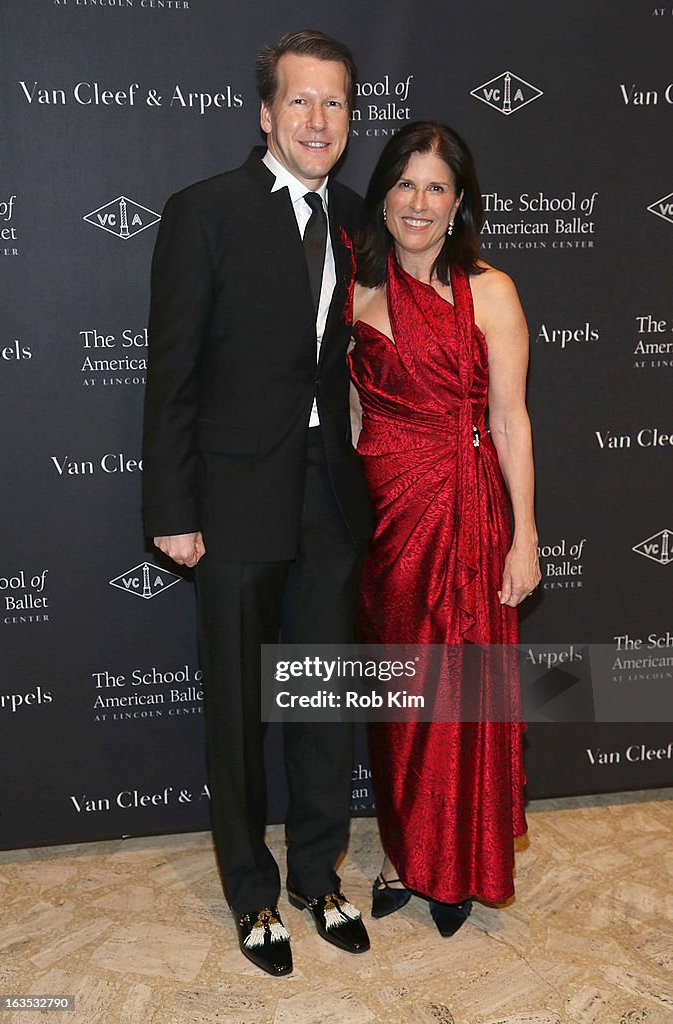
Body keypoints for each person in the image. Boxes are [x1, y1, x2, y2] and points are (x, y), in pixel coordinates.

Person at [142, 30, 373, 976]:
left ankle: (318, 874)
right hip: (230, 501)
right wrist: (171, 505)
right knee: (238, 710)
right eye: (301, 102)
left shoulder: (360, 218)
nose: (319, 121)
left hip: (329, 500)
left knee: (319, 704)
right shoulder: (204, 211)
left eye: (335, 104)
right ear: (266, 112)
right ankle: (251, 892)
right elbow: (173, 375)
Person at [348, 121, 541, 936]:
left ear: (458, 202)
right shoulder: (350, 290)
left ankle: (456, 862)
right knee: (401, 695)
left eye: (436, 187)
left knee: (464, 693)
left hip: (467, 513)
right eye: (404, 184)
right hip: (386, 520)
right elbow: (353, 411)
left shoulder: (488, 291)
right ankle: (402, 853)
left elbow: (509, 419)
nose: (417, 203)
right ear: (382, 195)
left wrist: (524, 534)